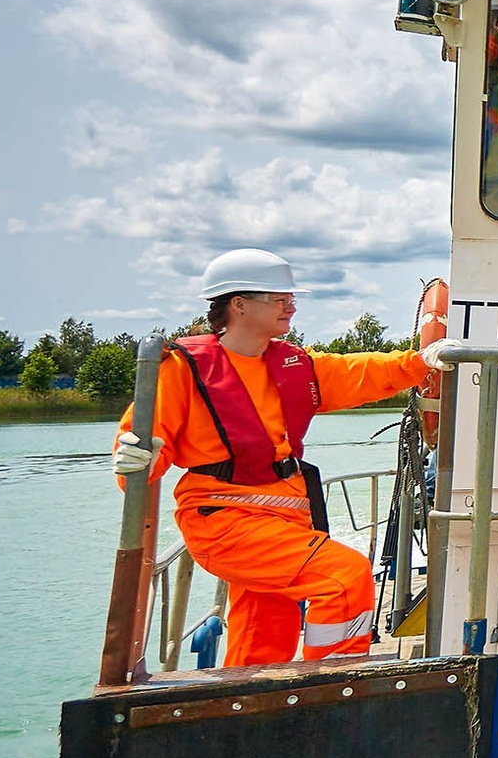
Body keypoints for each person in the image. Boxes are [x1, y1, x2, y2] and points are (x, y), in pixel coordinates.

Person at [112, 249, 444, 666]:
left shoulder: (292, 365)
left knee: (265, 631)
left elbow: (357, 371)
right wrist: (133, 459)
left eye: (290, 297)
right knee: (344, 577)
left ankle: (243, 706)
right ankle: (332, 683)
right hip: (225, 522)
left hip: (284, 518)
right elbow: (142, 457)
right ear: (238, 304)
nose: (291, 306)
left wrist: (419, 362)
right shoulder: (183, 369)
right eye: (278, 298)